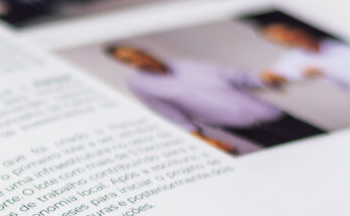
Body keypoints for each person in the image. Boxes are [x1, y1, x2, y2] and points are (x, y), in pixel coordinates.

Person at [105, 44, 325, 153]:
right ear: (126, 64)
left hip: (275, 116)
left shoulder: (189, 65)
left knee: (324, 145)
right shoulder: (140, 85)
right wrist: (208, 142)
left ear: (145, 51)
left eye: (137, 53)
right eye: (129, 59)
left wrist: (273, 77)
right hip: (247, 130)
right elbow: (175, 118)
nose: (139, 60)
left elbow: (241, 79)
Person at [259, 21, 350, 102]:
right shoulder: (299, 59)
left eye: (289, 31)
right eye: (285, 39)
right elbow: (269, 76)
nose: (294, 37)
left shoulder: (339, 38)